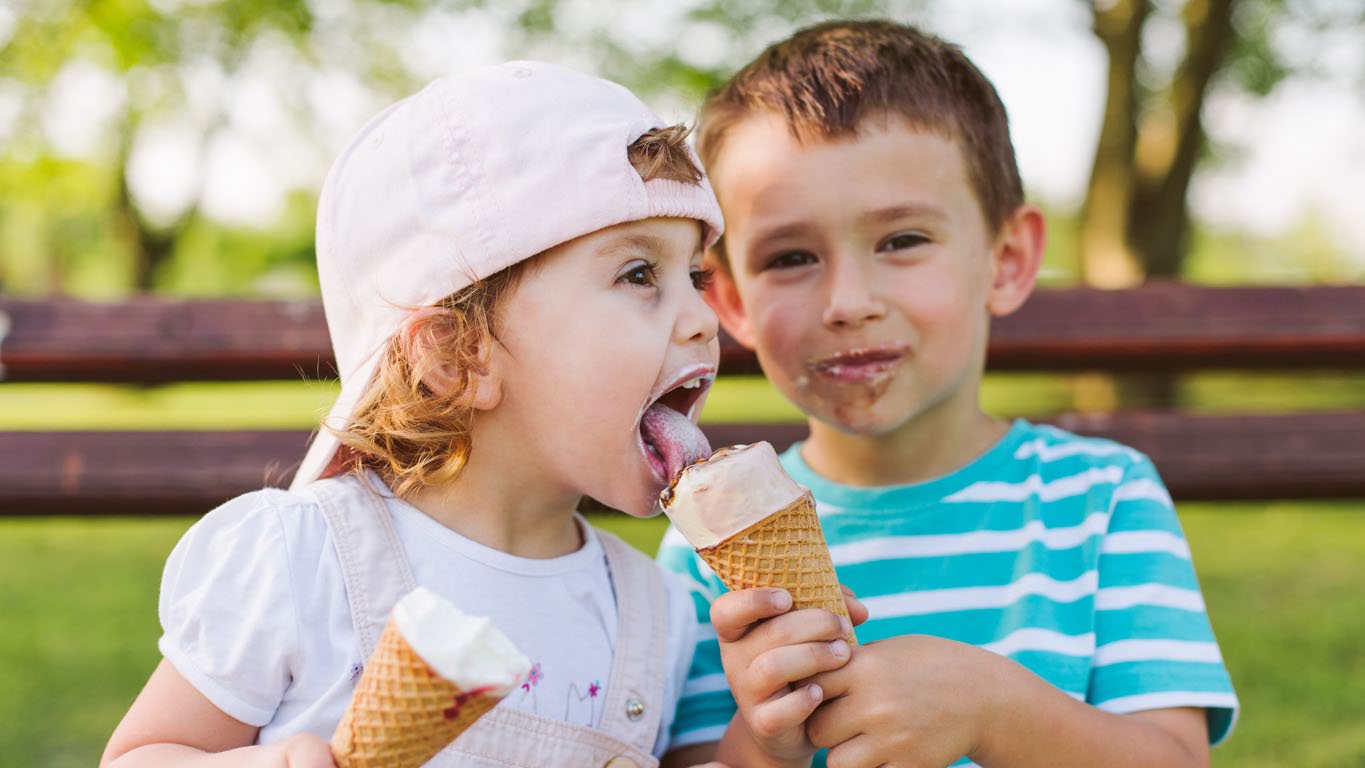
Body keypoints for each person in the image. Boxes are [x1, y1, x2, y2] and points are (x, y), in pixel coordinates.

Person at [101, 61, 856, 768]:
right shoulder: (304, 560)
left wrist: (761, 741)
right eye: (638, 274)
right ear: (459, 355)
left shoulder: (651, 608)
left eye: (693, 275)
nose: (700, 318)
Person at [659, 20, 1238, 768]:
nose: (847, 300)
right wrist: (762, 747)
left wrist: (994, 711)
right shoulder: (708, 549)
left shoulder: (1101, 500)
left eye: (901, 240)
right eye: (791, 257)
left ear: (1005, 260)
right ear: (731, 301)